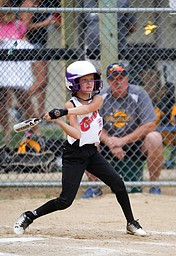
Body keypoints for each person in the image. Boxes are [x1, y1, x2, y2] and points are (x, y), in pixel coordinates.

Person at [13, 60, 147, 237]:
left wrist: (63, 113)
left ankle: (131, 222)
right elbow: (76, 134)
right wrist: (59, 120)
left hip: (92, 152)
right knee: (65, 201)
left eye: (91, 79)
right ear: (74, 84)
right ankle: (29, 216)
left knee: (118, 183)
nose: (89, 83)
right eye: (84, 80)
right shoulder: (70, 105)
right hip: (74, 154)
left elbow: (91, 108)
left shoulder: (97, 99)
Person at [81, 63, 164, 197]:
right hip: (108, 143)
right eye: (113, 79)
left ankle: (154, 185)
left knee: (155, 137)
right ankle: (94, 186)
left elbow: (150, 125)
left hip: (135, 142)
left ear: (127, 79)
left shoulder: (139, 94)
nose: (118, 82)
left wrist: (122, 141)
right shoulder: (100, 97)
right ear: (108, 81)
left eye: (121, 78)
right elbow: (92, 124)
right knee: (86, 138)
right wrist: (110, 141)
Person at [0, 0, 38, 143]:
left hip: (16, 69)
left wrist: (12, 43)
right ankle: (7, 131)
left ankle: (34, 130)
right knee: (1, 100)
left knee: (24, 98)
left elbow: (24, 43)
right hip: (2, 67)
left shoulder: (18, 25)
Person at [19, 0, 60, 116]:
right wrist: (44, 23)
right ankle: (20, 102)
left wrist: (52, 23)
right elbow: (24, 27)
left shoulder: (43, 4)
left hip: (41, 44)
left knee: (44, 82)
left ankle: (41, 114)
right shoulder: (28, 4)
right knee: (42, 80)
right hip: (31, 45)